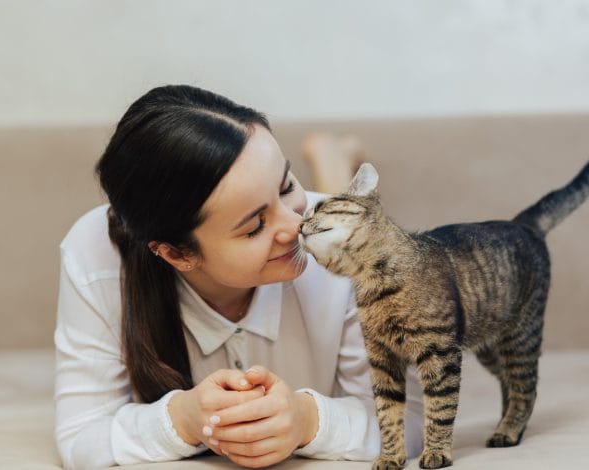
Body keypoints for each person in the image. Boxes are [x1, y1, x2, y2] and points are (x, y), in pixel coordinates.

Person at [53, 84, 424, 469]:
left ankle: (333, 164)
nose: (296, 225)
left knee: (335, 224)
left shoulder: (347, 251)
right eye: (254, 227)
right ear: (175, 253)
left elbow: (413, 419)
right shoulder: (96, 254)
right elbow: (80, 437)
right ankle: (328, 165)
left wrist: (308, 420)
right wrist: (181, 419)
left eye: (287, 185)